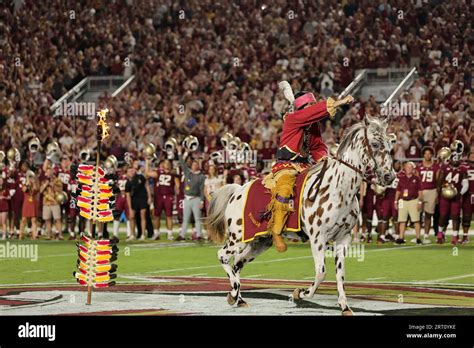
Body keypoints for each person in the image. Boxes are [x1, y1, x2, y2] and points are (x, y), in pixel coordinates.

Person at [266, 84, 354, 252]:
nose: (313, 108)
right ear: (302, 108)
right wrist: (339, 102)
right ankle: (276, 232)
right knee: (284, 189)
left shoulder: (312, 126)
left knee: (323, 184)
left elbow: (317, 146)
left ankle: (320, 229)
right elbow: (311, 113)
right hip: (286, 165)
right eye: (310, 105)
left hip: (305, 165)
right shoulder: (293, 119)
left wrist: (325, 160)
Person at [437, 142, 469, 245]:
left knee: (456, 216)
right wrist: (443, 189)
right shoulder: (445, 168)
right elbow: (439, 182)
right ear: (450, 159)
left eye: (457, 159)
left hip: (456, 196)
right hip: (445, 196)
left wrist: (460, 193)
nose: (455, 161)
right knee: (443, 215)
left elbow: (465, 184)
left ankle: (455, 236)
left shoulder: (462, 169)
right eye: (453, 159)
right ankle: (440, 234)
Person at [176, 146, 205, 241]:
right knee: (185, 218)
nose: (194, 166)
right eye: (193, 164)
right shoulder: (188, 173)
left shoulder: (201, 176)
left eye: (196, 165)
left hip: (196, 199)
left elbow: (202, 189)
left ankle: (199, 235)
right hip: (187, 198)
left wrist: (201, 201)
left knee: (197, 218)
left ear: (198, 166)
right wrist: (180, 152)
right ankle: (182, 235)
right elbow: (182, 163)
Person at [145, 159, 179, 240]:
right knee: (156, 216)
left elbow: (178, 186)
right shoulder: (158, 172)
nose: (167, 164)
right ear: (163, 164)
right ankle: (156, 233)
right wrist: (147, 163)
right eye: (165, 163)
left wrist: (176, 195)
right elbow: (147, 173)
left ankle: (170, 234)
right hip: (158, 196)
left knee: (169, 216)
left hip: (168, 196)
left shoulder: (173, 174)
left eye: (168, 163)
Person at [415, 147, 439, 243]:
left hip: (432, 190)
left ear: (432, 155)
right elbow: (416, 180)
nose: (427, 155)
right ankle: (418, 235)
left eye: (429, 153)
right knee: (418, 214)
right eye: (426, 153)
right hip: (421, 191)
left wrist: (437, 193)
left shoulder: (436, 166)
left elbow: (438, 181)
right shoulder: (419, 166)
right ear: (423, 155)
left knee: (429, 214)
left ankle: (426, 235)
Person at [395, 162, 423, 245]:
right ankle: (401, 238)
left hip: (413, 200)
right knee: (402, 220)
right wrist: (395, 201)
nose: (409, 169)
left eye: (410, 167)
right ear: (405, 168)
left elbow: (420, 191)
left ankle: (418, 238)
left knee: (416, 220)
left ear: (413, 169)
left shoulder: (417, 178)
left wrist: (420, 201)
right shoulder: (401, 178)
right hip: (403, 201)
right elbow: (398, 190)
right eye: (407, 167)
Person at [125, 166, 150, 241]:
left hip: (142, 198)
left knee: (143, 215)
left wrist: (149, 197)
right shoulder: (128, 183)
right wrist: (130, 208)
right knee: (132, 217)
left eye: (132, 170)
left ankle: (143, 234)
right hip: (134, 200)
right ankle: (132, 234)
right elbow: (128, 196)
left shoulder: (140, 177)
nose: (131, 172)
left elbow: (146, 185)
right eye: (129, 171)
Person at [40, 167, 63, 240]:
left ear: (53, 172)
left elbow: (60, 190)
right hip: (46, 203)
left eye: (50, 172)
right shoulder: (44, 181)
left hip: (55, 202)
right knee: (47, 219)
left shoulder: (57, 180)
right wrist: (45, 185)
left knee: (57, 219)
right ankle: (49, 234)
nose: (49, 173)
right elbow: (40, 191)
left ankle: (59, 235)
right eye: (47, 172)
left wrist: (54, 185)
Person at [19, 173, 39, 239]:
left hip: (33, 203)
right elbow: (24, 190)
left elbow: (36, 189)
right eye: (30, 178)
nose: (31, 179)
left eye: (32, 178)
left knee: (34, 220)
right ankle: (21, 235)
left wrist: (33, 183)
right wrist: (28, 183)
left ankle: (34, 235)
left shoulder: (35, 184)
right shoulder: (25, 184)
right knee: (23, 219)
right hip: (26, 203)